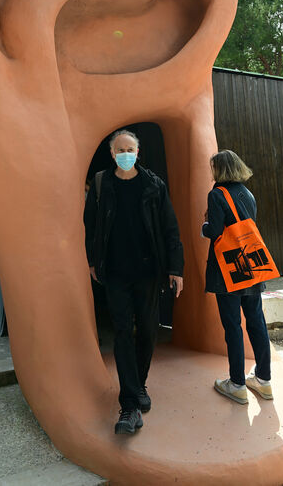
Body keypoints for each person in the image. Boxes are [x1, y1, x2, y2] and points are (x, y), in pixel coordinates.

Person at [84, 130, 184, 436]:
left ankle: (139, 384)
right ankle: (129, 404)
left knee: (148, 328)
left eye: (130, 149)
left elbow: (170, 227)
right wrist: (92, 261)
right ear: (112, 154)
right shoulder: (102, 184)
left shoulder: (154, 185)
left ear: (138, 153)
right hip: (115, 272)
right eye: (120, 150)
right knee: (123, 331)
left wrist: (175, 268)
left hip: (149, 272)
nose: (125, 153)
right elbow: (90, 226)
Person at [201, 150, 273, 405]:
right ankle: (264, 380)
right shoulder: (247, 193)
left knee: (233, 325)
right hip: (251, 265)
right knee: (256, 320)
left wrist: (205, 226)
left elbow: (216, 231)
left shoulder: (217, 194)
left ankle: (237, 384)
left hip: (228, 269)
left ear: (219, 169)